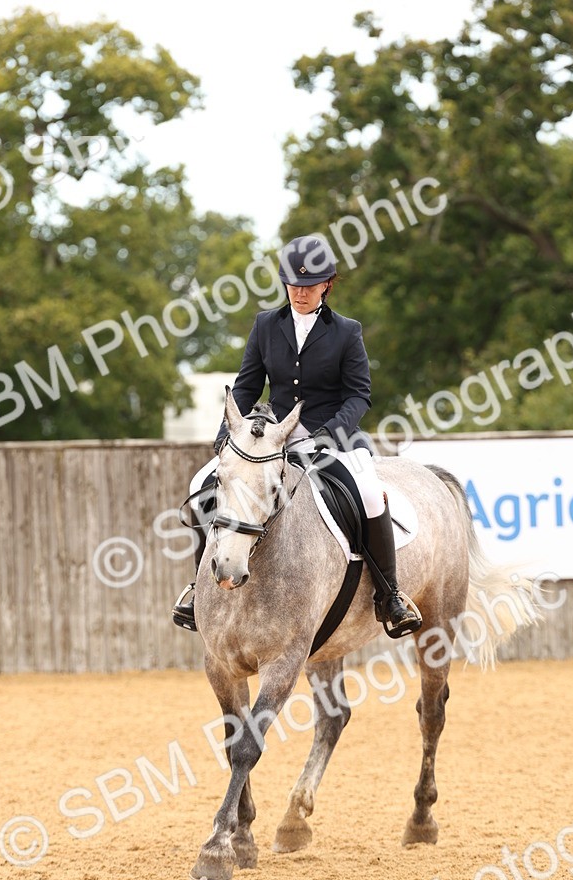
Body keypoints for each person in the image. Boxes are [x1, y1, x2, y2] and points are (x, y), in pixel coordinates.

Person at [172, 234, 422, 640]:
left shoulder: (346, 331)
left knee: (371, 494)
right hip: (274, 439)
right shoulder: (266, 325)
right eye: (293, 284)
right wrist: (226, 434)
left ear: (327, 284)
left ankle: (389, 595)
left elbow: (359, 394)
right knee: (201, 482)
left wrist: (329, 434)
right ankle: (199, 587)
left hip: (333, 437)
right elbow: (247, 386)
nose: (299, 292)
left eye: (309, 285)